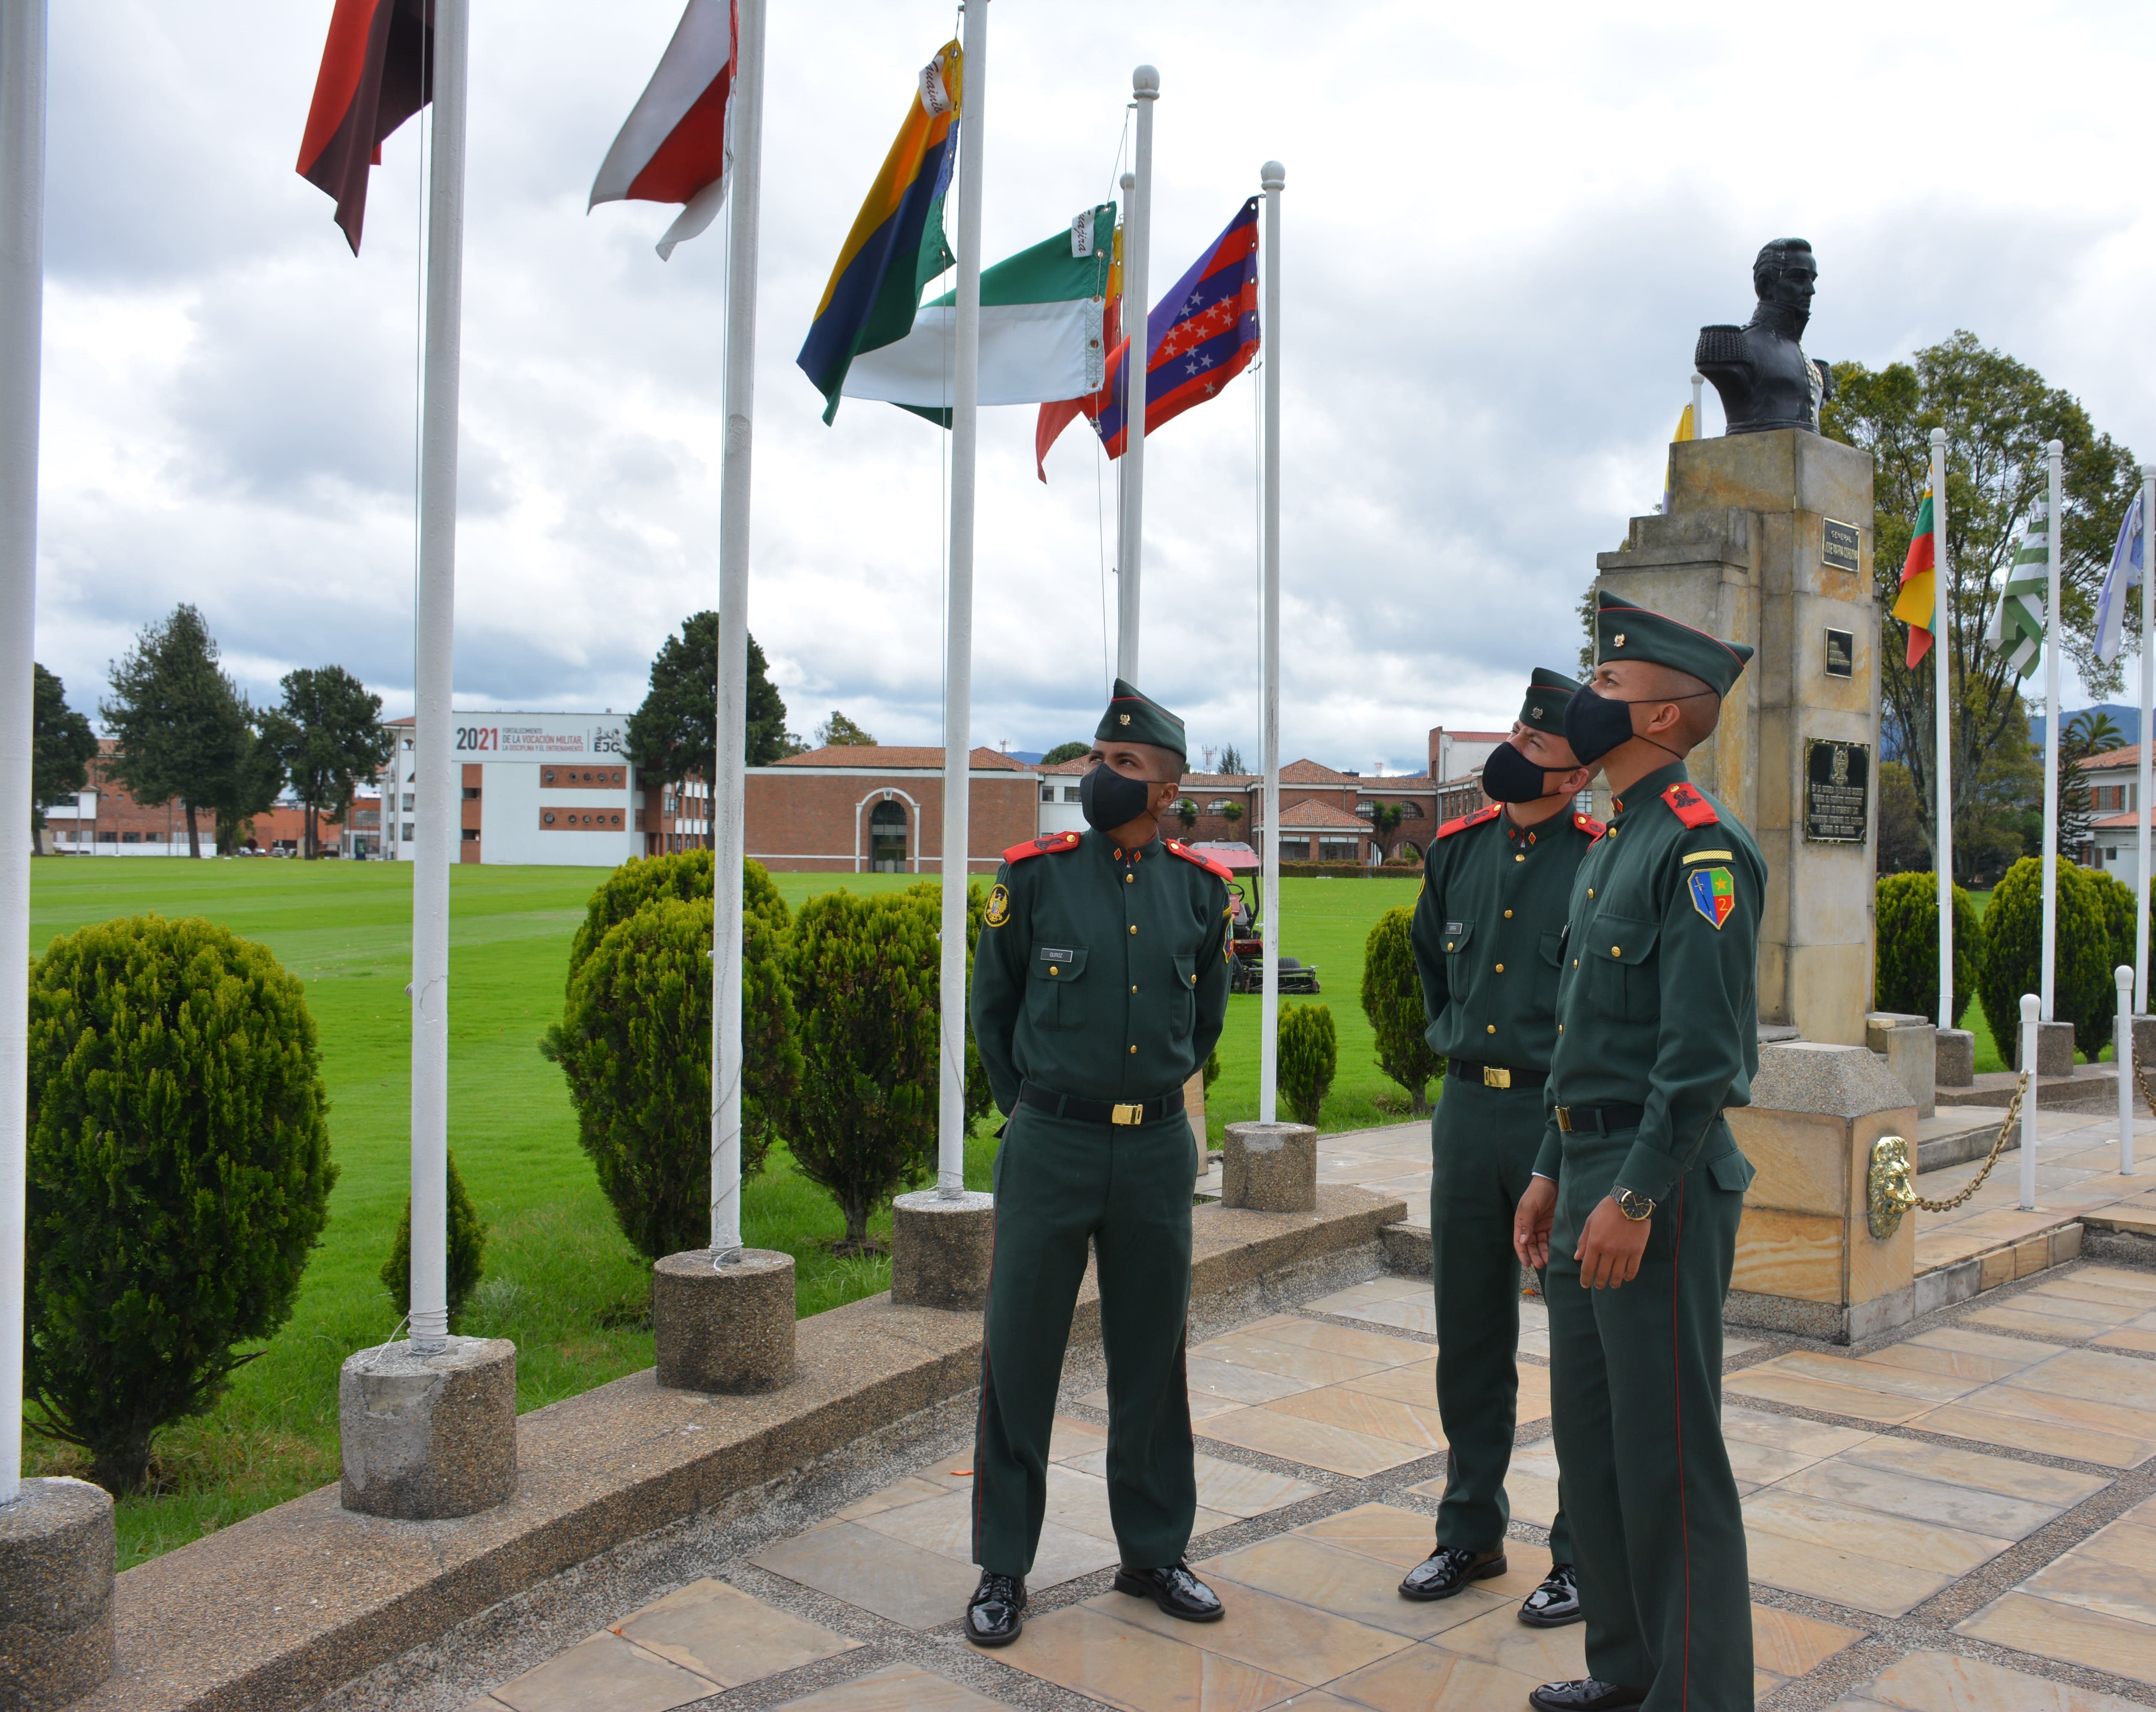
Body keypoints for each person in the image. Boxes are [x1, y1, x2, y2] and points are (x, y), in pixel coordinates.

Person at [1513, 592, 1765, 1712]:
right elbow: (1590, 1039)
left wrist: (1631, 1192)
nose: (1586, 696)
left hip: (1654, 1194)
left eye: (1608, 685)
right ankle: (1627, 1668)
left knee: (1670, 1458)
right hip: (1589, 1181)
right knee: (1598, 1447)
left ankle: (1698, 1694)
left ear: (1665, 716)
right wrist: (1550, 1167)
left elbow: (1701, 1053)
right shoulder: (1619, 836)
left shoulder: (1701, 847)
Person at [962, 678, 1233, 1648]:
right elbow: (992, 1012)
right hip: (1050, 1145)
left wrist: (1155, 1110)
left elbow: (1204, 1020)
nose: (1099, 776)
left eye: (1124, 766)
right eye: (1096, 759)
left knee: (1154, 1357)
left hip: (1156, 1151)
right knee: (1021, 1352)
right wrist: (1034, 1109)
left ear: (1168, 789)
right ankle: (1003, 1567)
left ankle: (1154, 1551)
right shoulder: (1030, 877)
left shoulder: (1204, 891)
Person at [1402, 668, 1596, 1627]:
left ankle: (1582, 1553)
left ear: (1572, 779)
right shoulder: (1456, 850)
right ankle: (1468, 1530)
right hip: (1467, 1111)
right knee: (1469, 1334)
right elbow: (1429, 964)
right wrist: (1456, 1039)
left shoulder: (1600, 858)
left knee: (1579, 1347)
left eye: (1536, 748)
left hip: (1559, 1123)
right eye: (1516, 734)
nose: (1512, 753)